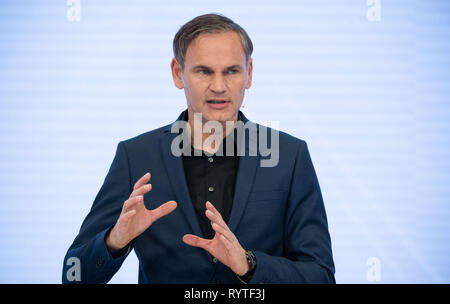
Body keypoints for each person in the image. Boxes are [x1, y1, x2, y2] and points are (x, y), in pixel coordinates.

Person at [62, 13, 335, 284]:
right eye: (204, 71)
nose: (219, 86)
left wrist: (249, 264)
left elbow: (321, 276)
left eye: (232, 71)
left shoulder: (290, 156)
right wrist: (114, 240)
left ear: (249, 74)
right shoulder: (135, 156)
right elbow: (73, 276)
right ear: (177, 73)